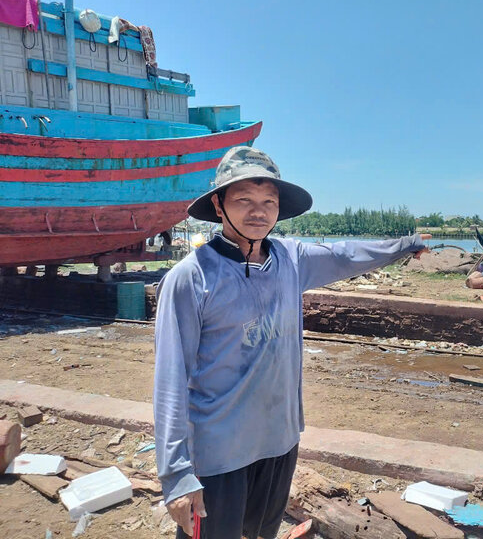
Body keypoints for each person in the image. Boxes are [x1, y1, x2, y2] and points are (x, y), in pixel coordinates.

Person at [153, 146, 430, 539]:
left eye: (269, 201)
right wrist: (177, 474)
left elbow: (345, 255)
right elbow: (169, 381)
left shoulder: (290, 260)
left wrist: (404, 245)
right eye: (244, 200)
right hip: (218, 454)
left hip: (279, 442)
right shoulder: (192, 278)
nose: (258, 212)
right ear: (218, 205)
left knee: (260, 535)